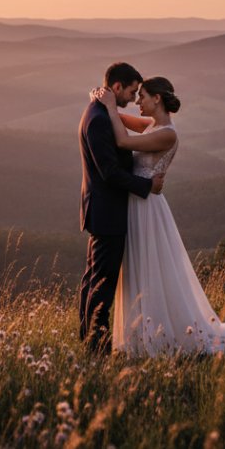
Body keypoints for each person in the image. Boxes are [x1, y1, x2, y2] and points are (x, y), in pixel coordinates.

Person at [92, 76, 225, 357]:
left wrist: (107, 107)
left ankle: (161, 334)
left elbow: (122, 139)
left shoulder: (168, 134)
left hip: (147, 208)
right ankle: (141, 335)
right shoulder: (155, 125)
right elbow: (129, 122)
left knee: (152, 267)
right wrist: (108, 106)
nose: (138, 101)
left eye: (142, 96)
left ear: (157, 99)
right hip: (139, 202)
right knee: (140, 267)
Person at [78, 62, 165, 356]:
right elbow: (109, 173)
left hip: (102, 210)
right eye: (130, 91)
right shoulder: (100, 119)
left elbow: (138, 127)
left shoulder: (102, 112)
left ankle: (87, 337)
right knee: (102, 282)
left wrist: (113, 108)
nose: (133, 96)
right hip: (108, 212)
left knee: (93, 278)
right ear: (116, 88)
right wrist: (146, 186)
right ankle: (96, 347)